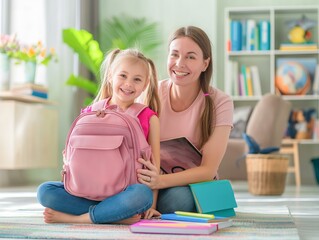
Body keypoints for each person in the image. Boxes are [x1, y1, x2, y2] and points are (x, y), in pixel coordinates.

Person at [37, 48, 161, 224]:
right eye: (123, 76)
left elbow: (154, 169)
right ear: (110, 76)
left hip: (125, 192)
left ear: (145, 84)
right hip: (86, 191)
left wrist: (151, 205)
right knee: (45, 191)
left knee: (142, 196)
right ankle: (116, 215)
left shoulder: (149, 118)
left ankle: (82, 218)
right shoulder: (90, 112)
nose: (128, 84)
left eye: (137, 79)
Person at [136, 26, 234, 213]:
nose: (179, 64)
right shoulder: (150, 93)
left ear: (205, 64)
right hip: (149, 179)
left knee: (176, 201)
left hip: (191, 184)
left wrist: (160, 181)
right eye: (174, 55)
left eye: (190, 57)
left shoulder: (220, 102)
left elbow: (208, 170)